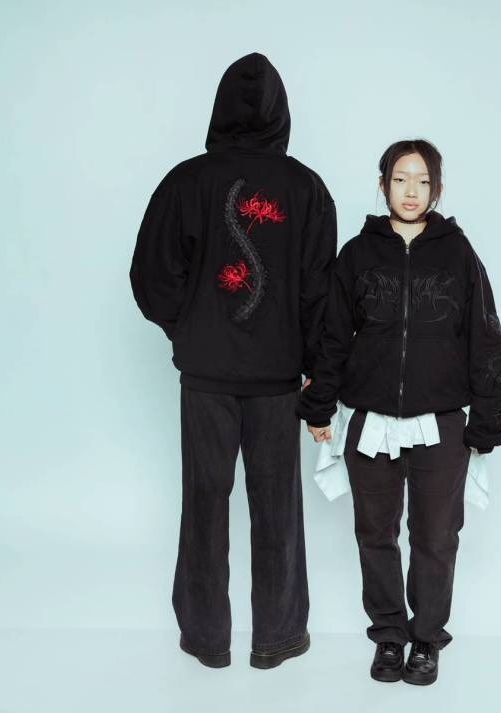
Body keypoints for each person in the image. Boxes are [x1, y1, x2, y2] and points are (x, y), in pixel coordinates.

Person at [130, 52, 337, 670]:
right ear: (282, 113)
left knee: (204, 504)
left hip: (208, 378)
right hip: (278, 377)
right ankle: (278, 638)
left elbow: (150, 276)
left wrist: (190, 329)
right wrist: (310, 361)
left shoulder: (185, 182)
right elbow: (319, 292)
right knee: (278, 509)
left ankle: (205, 639)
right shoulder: (306, 188)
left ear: (219, 107)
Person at [296, 139, 501, 685]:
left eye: (421, 180)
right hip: (371, 421)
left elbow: (485, 336)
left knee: (436, 538)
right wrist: (319, 406)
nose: (410, 190)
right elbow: (331, 338)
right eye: (399, 179)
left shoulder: (458, 254)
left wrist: (490, 416)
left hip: (440, 423)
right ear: (383, 185)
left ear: (437, 188)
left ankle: (427, 639)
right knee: (375, 534)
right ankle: (389, 636)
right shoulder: (357, 254)